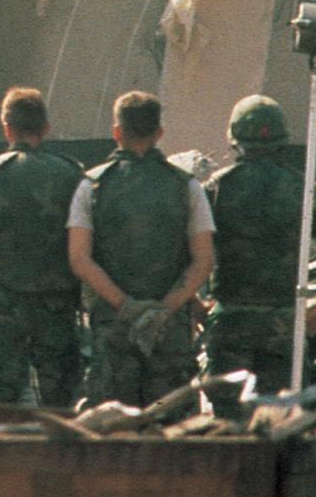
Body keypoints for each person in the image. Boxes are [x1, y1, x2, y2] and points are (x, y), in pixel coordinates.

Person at [201, 96, 316, 414]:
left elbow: (188, 252)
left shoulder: (217, 189)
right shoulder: (305, 190)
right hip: (284, 326)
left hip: (230, 323)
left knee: (226, 424)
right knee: (281, 418)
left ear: (234, 137)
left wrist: (194, 303)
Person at [66, 91, 214, 407]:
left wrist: (127, 306)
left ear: (116, 132)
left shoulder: (92, 186)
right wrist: (163, 311)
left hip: (114, 328)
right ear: (159, 133)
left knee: (114, 423)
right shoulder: (187, 186)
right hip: (170, 332)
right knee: (172, 424)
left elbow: (79, 259)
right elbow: (203, 261)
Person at [0, 87, 83, 407]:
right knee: (58, 392)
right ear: (46, 128)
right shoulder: (71, 173)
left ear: (7, 128)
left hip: (4, 301)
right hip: (56, 300)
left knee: (2, 392)